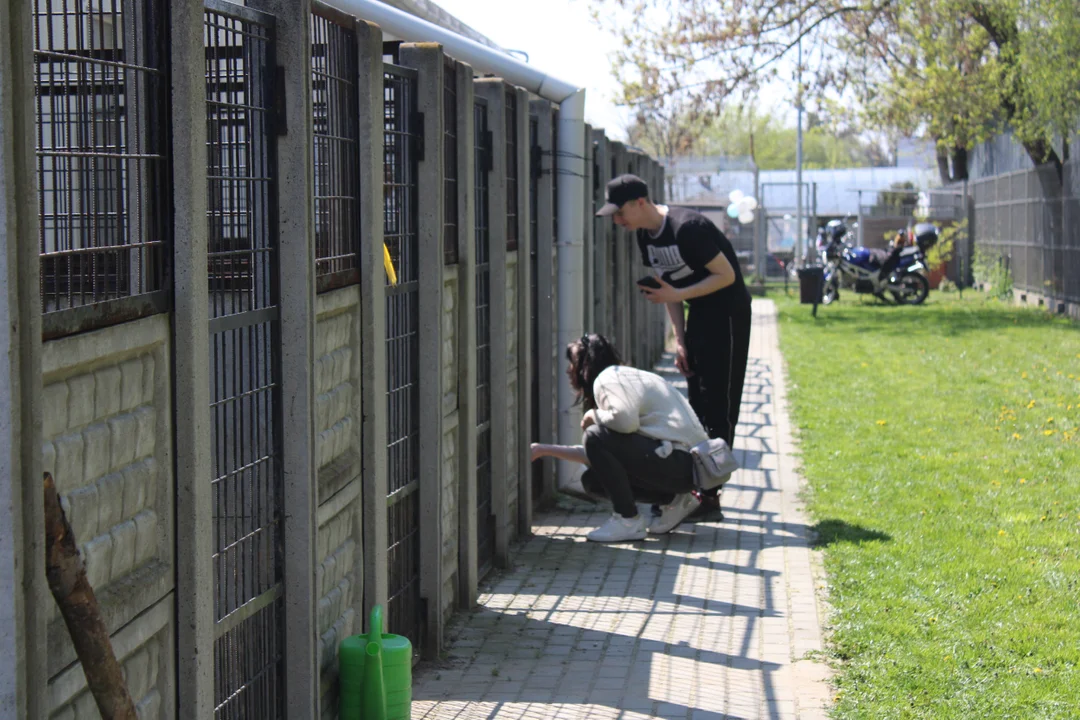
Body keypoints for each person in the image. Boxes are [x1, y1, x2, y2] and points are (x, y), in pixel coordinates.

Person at [595, 175, 752, 517]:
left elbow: (726, 276)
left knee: (718, 405)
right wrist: (680, 340)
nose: (618, 221)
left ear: (641, 202)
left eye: (620, 213)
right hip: (698, 313)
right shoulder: (644, 237)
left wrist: (676, 295)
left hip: (727, 315)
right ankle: (694, 488)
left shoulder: (687, 228)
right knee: (694, 404)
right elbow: (665, 288)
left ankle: (710, 497)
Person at [530, 334, 709, 542]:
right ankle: (675, 499)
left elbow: (624, 423)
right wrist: (542, 450)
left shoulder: (607, 380)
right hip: (690, 468)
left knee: (594, 435)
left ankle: (627, 520)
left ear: (584, 365)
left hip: (682, 463)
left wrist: (592, 416)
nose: (569, 370)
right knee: (592, 480)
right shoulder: (625, 377)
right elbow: (602, 455)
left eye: (572, 363)